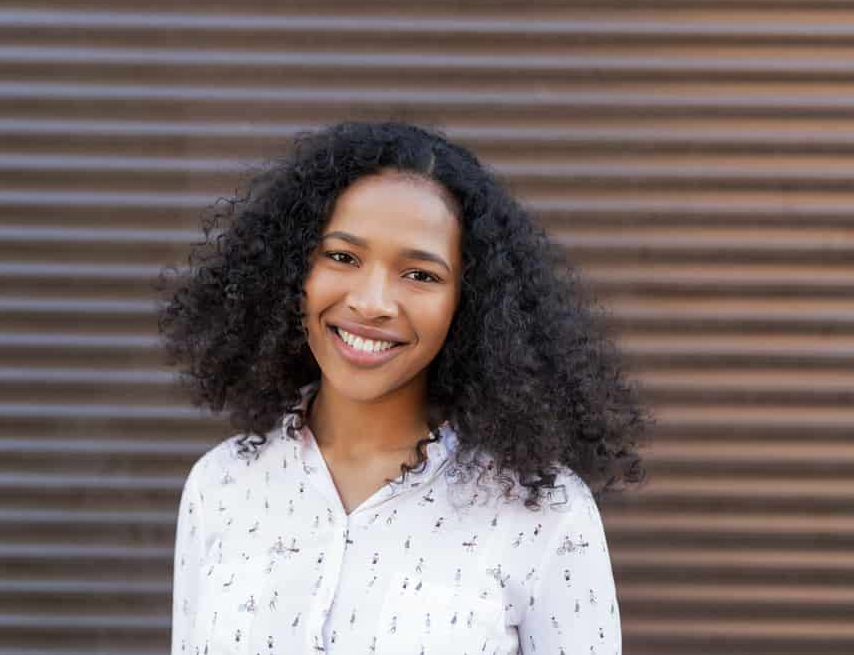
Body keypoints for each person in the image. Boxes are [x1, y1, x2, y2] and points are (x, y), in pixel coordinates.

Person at [156, 121, 652, 655]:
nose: (371, 303)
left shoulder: (543, 512)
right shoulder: (222, 486)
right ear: (292, 270)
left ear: (470, 305)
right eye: (342, 257)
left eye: (420, 274)